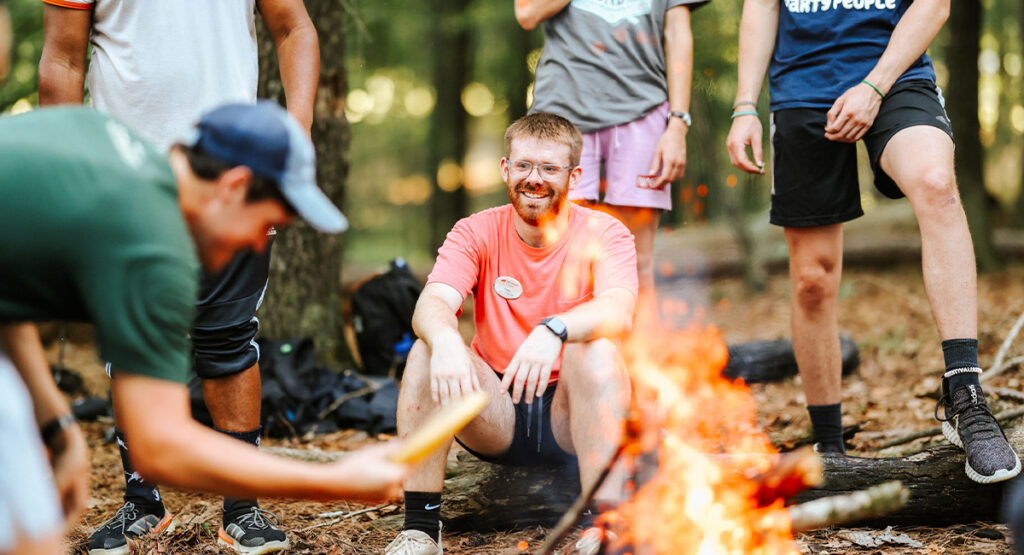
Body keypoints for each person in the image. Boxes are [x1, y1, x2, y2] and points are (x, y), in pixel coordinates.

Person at [0, 102, 408, 554]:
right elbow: (161, 447)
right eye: (267, 225)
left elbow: (9, 300)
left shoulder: (110, 144)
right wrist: (333, 481)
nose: (258, 244)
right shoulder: (150, 241)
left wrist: (57, 426)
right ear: (233, 187)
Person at [37, 1, 319, 552]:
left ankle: (242, 507)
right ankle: (142, 504)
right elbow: (63, 59)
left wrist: (297, 130)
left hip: (236, 173)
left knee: (229, 338)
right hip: (121, 174)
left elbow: (294, 27)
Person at [725, 0, 1020, 483]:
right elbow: (760, 9)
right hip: (800, 88)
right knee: (812, 280)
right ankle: (829, 443)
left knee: (935, 184)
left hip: (896, 72)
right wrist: (743, 106)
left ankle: (964, 396)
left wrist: (873, 85)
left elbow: (935, 5)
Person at [384, 113, 637, 555]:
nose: (533, 180)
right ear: (506, 169)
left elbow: (619, 309)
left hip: (568, 413)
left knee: (595, 347)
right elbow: (433, 302)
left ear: (574, 176)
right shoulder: (476, 230)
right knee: (426, 349)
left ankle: (606, 525)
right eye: (523, 166)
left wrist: (555, 329)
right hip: (495, 411)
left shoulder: (605, 232)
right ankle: (421, 531)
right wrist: (445, 342)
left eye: (549, 169)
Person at [516, 0, 705, 322]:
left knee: (635, 258)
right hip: (562, 114)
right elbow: (527, 13)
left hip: (643, 111)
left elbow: (678, 35)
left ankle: (634, 366)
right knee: (560, 255)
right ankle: (558, 364)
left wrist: (677, 123)